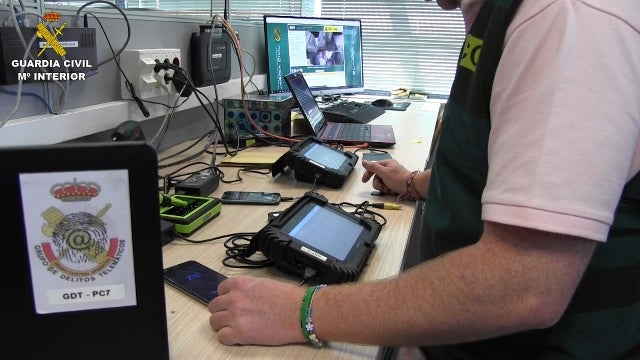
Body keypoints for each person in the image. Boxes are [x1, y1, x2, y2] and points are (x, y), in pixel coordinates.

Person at [209, 0, 640, 358]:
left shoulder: (565, 17)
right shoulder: (499, 15)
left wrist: (303, 310)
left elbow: (523, 285)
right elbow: (506, 167)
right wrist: (413, 182)